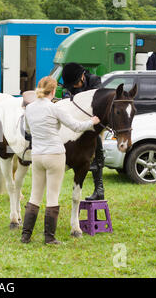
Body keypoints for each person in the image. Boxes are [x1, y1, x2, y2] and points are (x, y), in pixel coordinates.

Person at [22, 76, 100, 245]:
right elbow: (76, 126)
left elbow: (27, 129)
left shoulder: (29, 108)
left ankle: (25, 235)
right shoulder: (55, 108)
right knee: (52, 196)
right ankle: (49, 237)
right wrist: (92, 121)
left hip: (37, 155)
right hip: (55, 154)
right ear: (53, 90)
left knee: (35, 195)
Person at [61, 62, 105, 201]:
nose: (73, 87)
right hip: (77, 123)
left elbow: (97, 105)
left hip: (94, 123)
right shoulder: (72, 85)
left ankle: (99, 188)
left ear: (82, 77)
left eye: (75, 85)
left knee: (95, 141)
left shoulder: (95, 82)